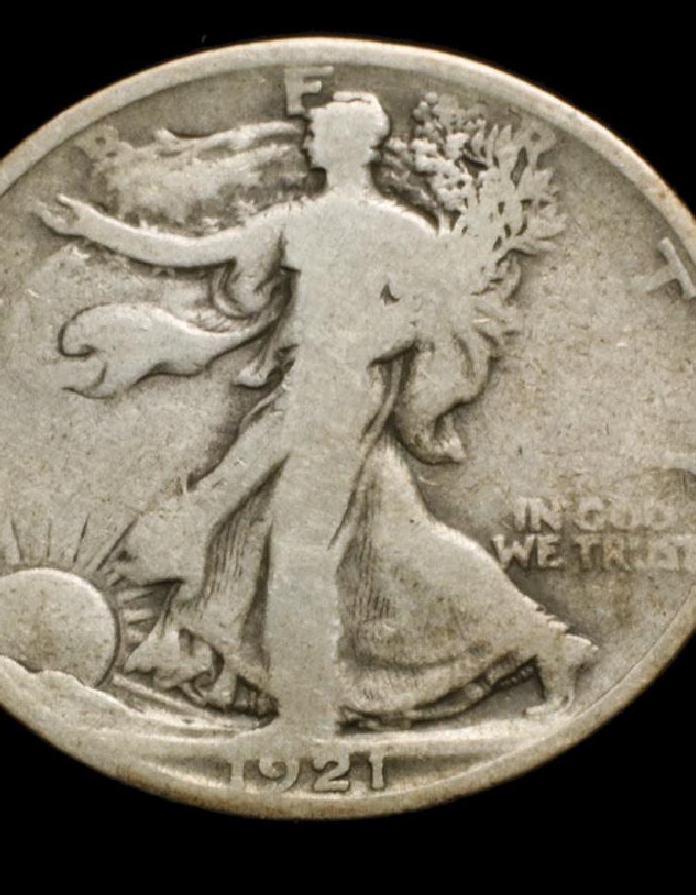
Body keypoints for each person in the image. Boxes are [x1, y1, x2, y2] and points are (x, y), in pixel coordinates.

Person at [39, 92, 595, 735]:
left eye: (320, 133)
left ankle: (307, 716)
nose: (309, 141)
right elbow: (194, 253)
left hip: (342, 393)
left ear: (352, 145)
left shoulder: (399, 231)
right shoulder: (300, 221)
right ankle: (548, 643)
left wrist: (359, 347)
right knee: (397, 540)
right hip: (309, 385)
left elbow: (428, 316)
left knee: (299, 552)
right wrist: (95, 228)